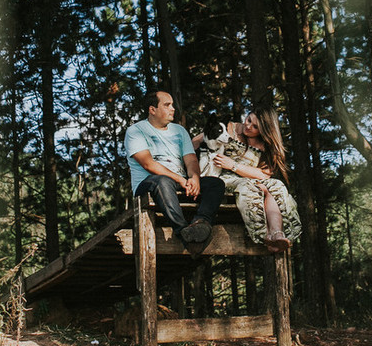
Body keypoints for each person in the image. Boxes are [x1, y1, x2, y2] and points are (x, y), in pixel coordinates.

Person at [125, 90, 226, 249]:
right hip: (149, 184)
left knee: (216, 184)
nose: (173, 108)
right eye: (167, 105)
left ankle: (200, 223)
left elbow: (191, 159)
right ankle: (183, 232)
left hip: (179, 183)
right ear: (153, 109)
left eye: (172, 104)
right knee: (162, 181)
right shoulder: (135, 131)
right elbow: (148, 164)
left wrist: (194, 178)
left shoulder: (179, 131)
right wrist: (180, 179)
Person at [196, 106, 301, 253]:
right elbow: (199, 140)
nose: (248, 125)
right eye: (249, 119)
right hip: (224, 178)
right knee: (248, 185)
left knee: (277, 185)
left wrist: (233, 165)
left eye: (255, 127)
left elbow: (265, 174)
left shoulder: (265, 145)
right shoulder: (230, 128)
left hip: (251, 177)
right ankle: (264, 235)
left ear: (264, 131)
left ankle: (277, 233)